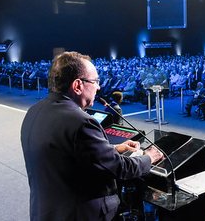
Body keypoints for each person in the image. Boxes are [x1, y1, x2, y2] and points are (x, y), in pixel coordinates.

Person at [20, 51, 163, 221]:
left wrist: (114, 148)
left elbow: (66, 153)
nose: (99, 87)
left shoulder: (34, 111)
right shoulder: (81, 122)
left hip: (46, 211)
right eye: (95, 81)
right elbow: (121, 169)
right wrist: (149, 157)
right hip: (80, 214)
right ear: (78, 85)